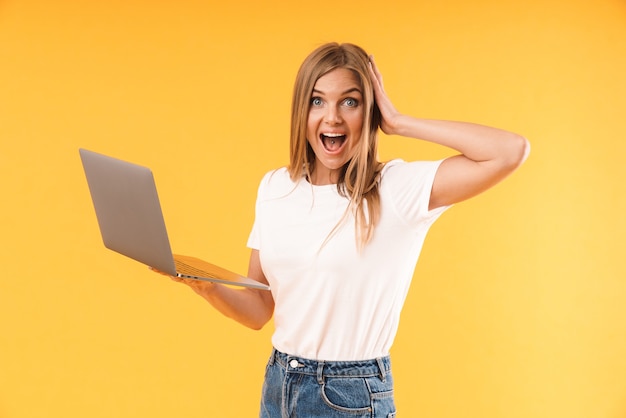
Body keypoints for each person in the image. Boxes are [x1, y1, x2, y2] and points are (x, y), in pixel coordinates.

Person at [165, 42, 529, 417]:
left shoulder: (394, 189)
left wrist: (398, 122)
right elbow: (259, 309)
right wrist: (204, 283)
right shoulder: (275, 187)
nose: (332, 118)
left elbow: (509, 150)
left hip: (350, 396)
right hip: (279, 385)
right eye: (318, 101)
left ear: (369, 111)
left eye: (350, 102)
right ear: (301, 111)